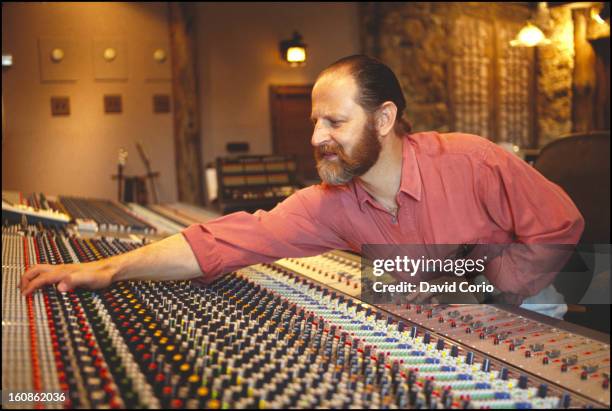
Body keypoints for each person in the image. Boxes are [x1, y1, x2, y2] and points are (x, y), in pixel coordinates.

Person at [19, 55, 584, 312]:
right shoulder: (331, 205)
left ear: (384, 120)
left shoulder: (472, 162)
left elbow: (561, 224)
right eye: (315, 122)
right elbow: (226, 240)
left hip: (528, 307)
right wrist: (109, 268)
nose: (317, 137)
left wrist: (483, 283)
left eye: (334, 122)